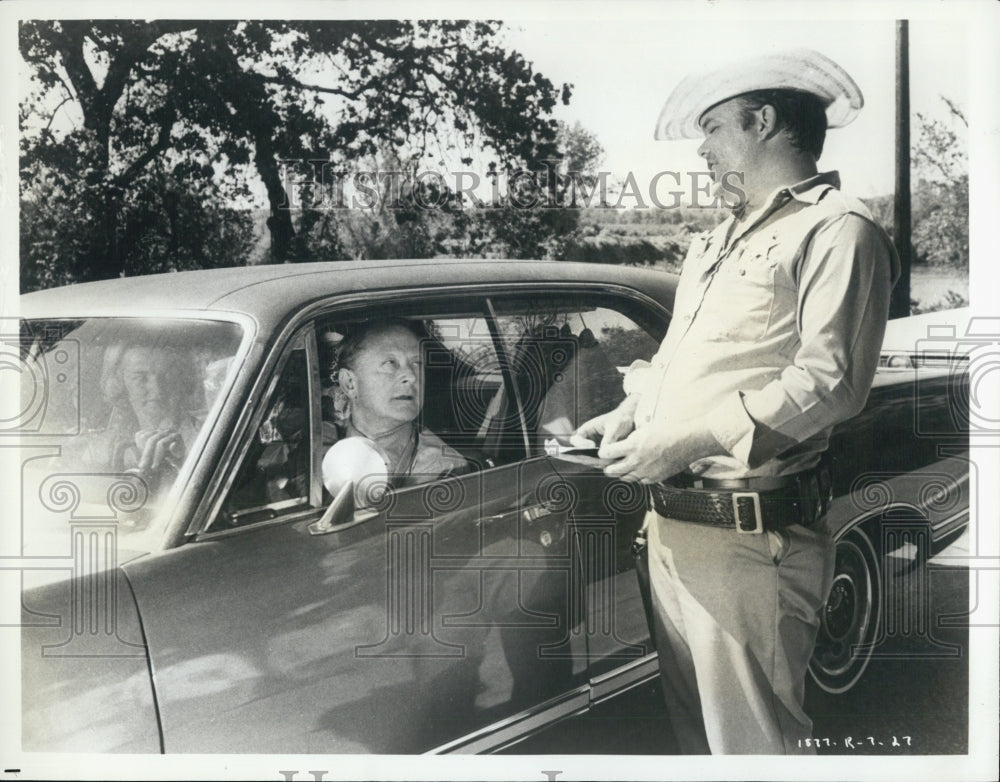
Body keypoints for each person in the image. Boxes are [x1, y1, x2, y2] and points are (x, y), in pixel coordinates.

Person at [574, 49, 899, 754]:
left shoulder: (838, 228)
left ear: (763, 120)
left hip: (752, 538)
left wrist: (686, 442)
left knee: (753, 748)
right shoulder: (714, 241)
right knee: (700, 742)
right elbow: (683, 357)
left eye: (714, 127)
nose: (702, 146)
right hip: (676, 530)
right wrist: (635, 409)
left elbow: (830, 381)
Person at [325, 319, 468, 492]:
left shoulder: (444, 470)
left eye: (417, 363)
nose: (411, 376)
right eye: (390, 363)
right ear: (349, 383)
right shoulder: (316, 449)